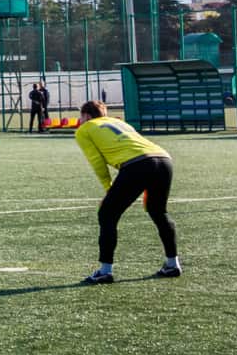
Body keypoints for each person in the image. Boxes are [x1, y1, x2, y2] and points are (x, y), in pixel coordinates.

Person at [74, 101, 181, 284]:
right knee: (158, 212)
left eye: (81, 116)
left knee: (107, 214)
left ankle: (105, 270)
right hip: (164, 159)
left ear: (88, 116)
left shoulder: (85, 129)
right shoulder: (120, 122)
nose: (80, 120)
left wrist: (109, 190)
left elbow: (96, 162)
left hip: (138, 164)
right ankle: (172, 264)